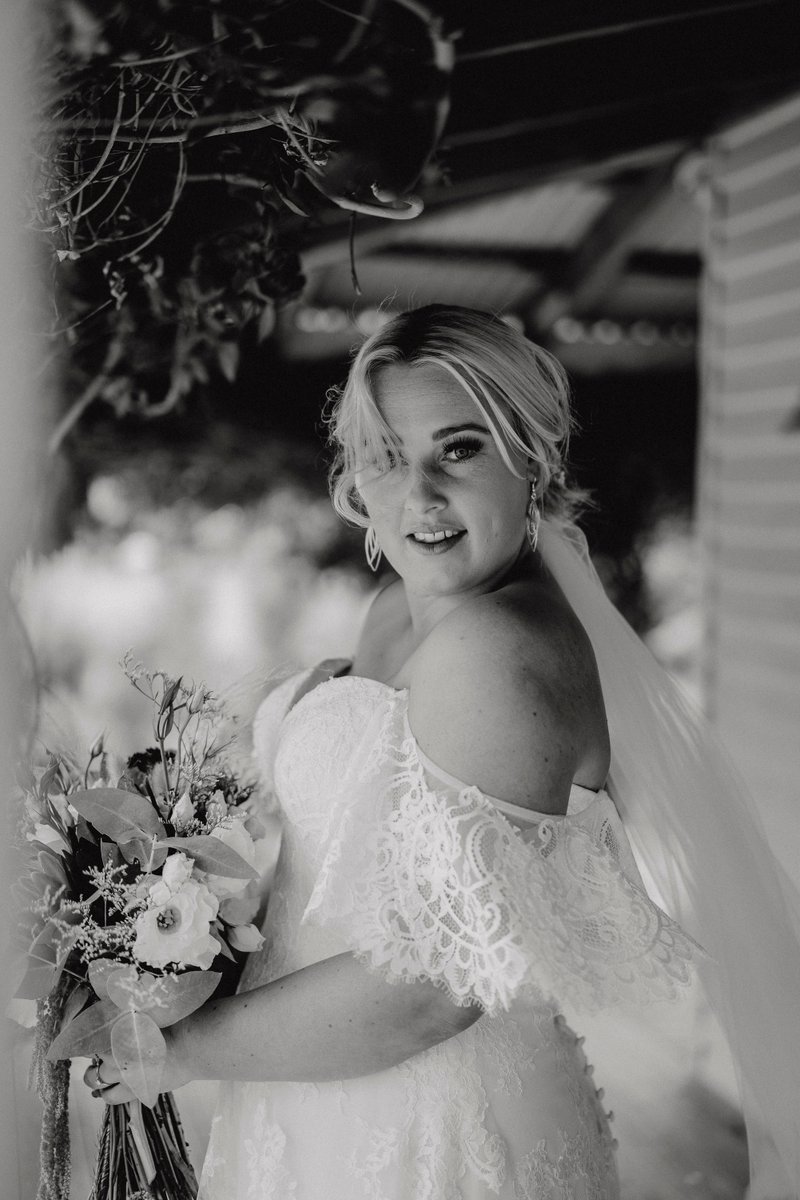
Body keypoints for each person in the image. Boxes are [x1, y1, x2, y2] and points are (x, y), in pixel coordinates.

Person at [85, 305, 800, 1199]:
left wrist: (180, 1048)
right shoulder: (403, 607)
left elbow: (433, 986)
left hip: (433, 1133)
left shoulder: (502, 650)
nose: (419, 497)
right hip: (314, 1087)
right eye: (388, 456)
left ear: (531, 461)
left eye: (458, 450)